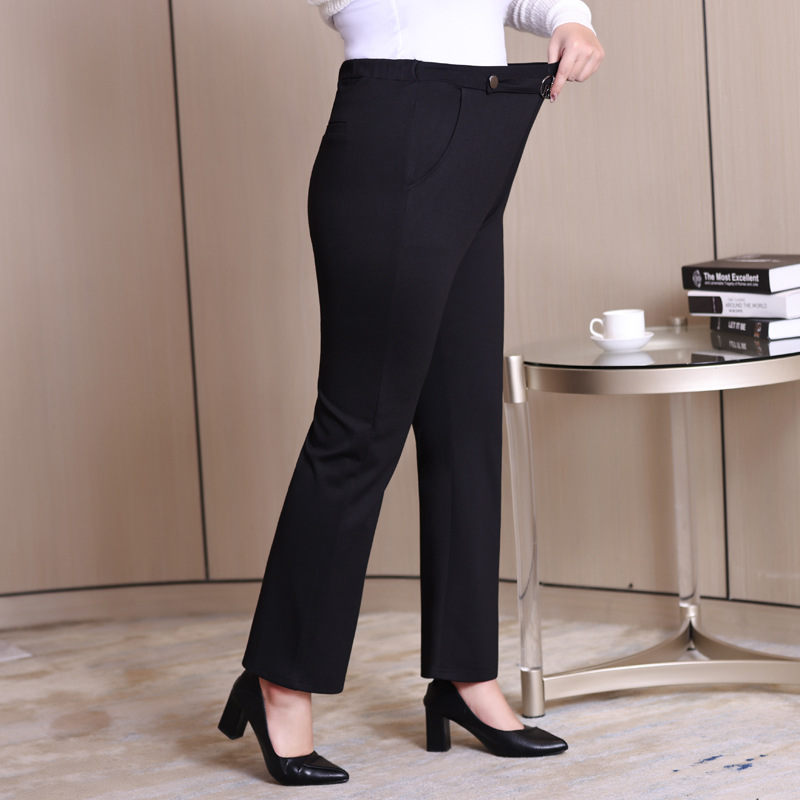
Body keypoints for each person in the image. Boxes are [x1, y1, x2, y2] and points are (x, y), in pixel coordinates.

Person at [218, 0, 603, 786]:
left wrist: (570, 18)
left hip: (485, 134)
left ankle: (466, 676)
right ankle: (279, 681)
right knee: (359, 428)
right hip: (397, 129)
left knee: (465, 426)